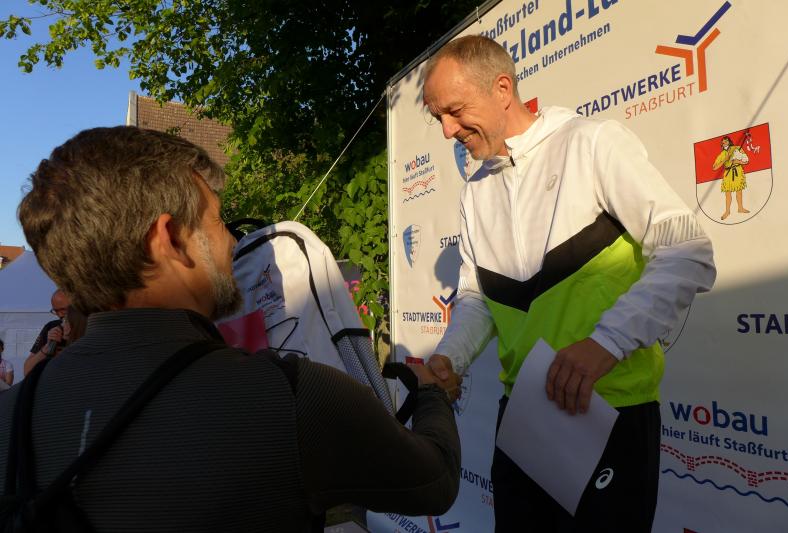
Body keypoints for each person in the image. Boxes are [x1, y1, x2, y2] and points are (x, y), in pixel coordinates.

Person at [0, 126, 460, 532]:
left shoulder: (10, 416)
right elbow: (434, 483)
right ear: (170, 239)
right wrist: (431, 394)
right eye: (218, 221)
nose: (232, 243)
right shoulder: (290, 397)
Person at [420, 35, 716, 532]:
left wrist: (607, 343)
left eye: (455, 110)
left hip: (609, 410)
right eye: (438, 118)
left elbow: (687, 250)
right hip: (523, 417)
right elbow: (477, 298)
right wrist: (450, 359)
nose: (448, 130)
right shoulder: (474, 192)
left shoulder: (591, 143)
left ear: (501, 89)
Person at [23, 288, 69, 375]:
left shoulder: (89, 328)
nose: (59, 315)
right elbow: (27, 371)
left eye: (63, 309)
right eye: (56, 311)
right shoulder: (51, 327)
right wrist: (47, 347)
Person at [712, 135, 750, 220]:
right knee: (728, 194)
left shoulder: (737, 148)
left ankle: (740, 208)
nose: (724, 143)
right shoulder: (722, 154)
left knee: (739, 191)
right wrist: (725, 159)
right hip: (728, 174)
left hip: (737, 171)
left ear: (729, 141)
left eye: (726, 141)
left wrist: (738, 161)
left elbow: (746, 161)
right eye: (723, 142)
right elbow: (714, 167)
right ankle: (727, 211)